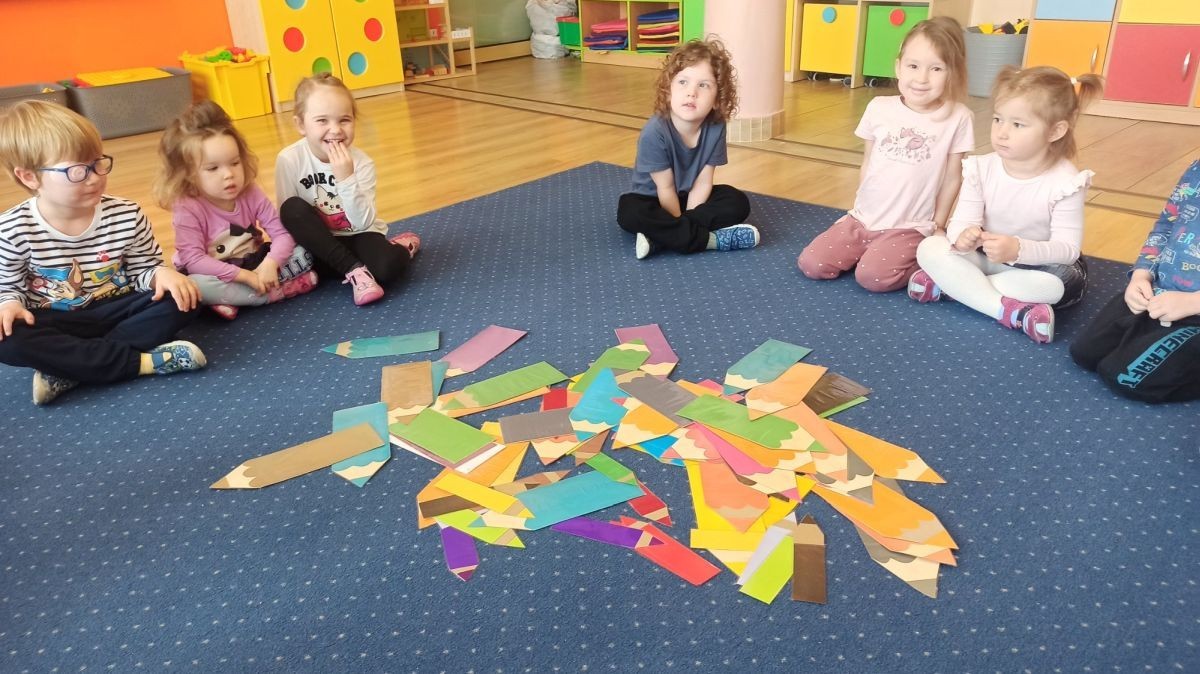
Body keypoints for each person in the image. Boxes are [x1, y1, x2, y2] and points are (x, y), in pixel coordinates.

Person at [0, 101, 205, 405]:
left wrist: (161, 273)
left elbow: (144, 269)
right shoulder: (11, 230)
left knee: (184, 297)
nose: (95, 176)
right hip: (58, 320)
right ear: (30, 177)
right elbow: (8, 287)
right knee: (7, 338)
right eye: (77, 170)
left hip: (117, 307)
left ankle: (70, 368)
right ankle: (141, 362)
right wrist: (9, 304)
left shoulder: (127, 214)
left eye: (97, 163)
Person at [908, 66, 1103, 344]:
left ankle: (954, 286)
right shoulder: (981, 167)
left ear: (1055, 131)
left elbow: (1067, 250)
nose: (1001, 132)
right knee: (929, 247)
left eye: (1017, 125)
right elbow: (961, 221)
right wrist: (963, 235)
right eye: (998, 119)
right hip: (984, 257)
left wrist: (1018, 249)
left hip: (1039, 268)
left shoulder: (1067, 181)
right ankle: (1008, 311)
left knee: (1057, 286)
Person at [797, 16, 974, 292]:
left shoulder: (958, 117)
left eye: (936, 68)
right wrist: (856, 212)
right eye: (913, 66)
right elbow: (868, 163)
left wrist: (938, 225)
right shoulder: (878, 107)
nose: (922, 78)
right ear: (898, 67)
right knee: (812, 264)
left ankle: (924, 263)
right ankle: (869, 249)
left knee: (873, 278)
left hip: (909, 227)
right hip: (862, 220)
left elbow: (953, 178)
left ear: (953, 73)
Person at [156, 100, 317, 321]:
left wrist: (270, 264)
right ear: (189, 175)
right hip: (213, 272)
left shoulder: (250, 191)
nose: (228, 175)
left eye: (234, 163)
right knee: (194, 285)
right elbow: (193, 259)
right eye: (213, 168)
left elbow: (281, 234)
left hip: (253, 261)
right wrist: (243, 276)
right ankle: (274, 292)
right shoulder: (187, 206)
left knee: (306, 251)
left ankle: (235, 299)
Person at [275, 73, 419, 306]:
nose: (335, 130)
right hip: (319, 240)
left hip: (357, 235)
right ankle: (354, 269)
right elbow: (289, 217)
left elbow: (362, 223)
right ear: (301, 124)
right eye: (322, 121)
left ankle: (401, 247)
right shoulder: (289, 159)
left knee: (387, 269)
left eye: (344, 120)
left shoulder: (362, 163)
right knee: (291, 209)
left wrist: (346, 178)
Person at [1069, 159, 1200, 402]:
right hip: (1159, 294)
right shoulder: (1196, 169)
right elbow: (1166, 226)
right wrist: (1141, 275)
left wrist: (1193, 302)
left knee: (1125, 377)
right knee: (1085, 353)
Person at [616, 38, 756, 260]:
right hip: (654, 200)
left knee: (737, 200)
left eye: (703, 85)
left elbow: (703, 182)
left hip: (689, 198)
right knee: (629, 211)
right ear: (668, 90)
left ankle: (660, 238)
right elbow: (665, 188)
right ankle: (711, 241)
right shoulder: (654, 131)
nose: (692, 93)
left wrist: (686, 219)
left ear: (717, 99)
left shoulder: (716, 127)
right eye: (683, 82)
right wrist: (681, 221)